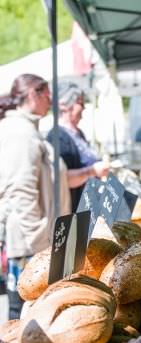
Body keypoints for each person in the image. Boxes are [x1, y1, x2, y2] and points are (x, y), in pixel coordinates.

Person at [0, 74, 71, 319]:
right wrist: (41, 241)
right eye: (47, 93)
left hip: (39, 246)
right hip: (31, 248)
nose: (51, 99)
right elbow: (20, 191)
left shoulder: (28, 130)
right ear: (33, 94)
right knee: (26, 319)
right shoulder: (20, 132)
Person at [47, 82, 109, 210]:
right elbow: (63, 179)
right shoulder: (57, 137)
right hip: (73, 210)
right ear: (64, 105)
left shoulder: (78, 133)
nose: (84, 107)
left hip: (89, 206)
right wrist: (91, 171)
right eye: (80, 102)